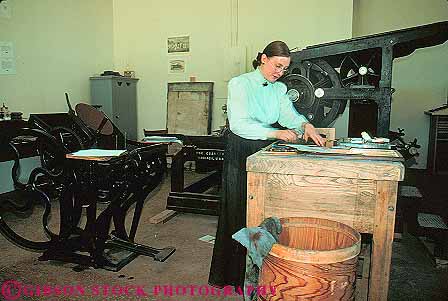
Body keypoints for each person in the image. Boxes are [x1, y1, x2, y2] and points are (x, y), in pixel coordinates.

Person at [208, 41, 325, 289]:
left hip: (264, 149)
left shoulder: (279, 89)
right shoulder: (240, 83)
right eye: (277, 65)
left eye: (284, 69)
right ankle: (235, 277)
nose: (279, 72)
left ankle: (263, 273)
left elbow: (288, 116)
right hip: (242, 150)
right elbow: (239, 124)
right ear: (263, 58)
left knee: (263, 211)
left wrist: (305, 125)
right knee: (241, 210)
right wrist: (276, 134)